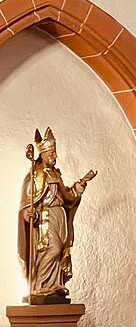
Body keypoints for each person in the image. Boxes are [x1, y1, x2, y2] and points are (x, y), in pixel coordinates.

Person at [18, 127, 96, 305]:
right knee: (51, 248)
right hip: (45, 218)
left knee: (59, 250)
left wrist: (81, 183)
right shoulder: (34, 176)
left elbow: (66, 196)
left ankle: (54, 285)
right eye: (52, 153)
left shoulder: (56, 174)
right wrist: (27, 214)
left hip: (60, 215)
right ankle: (39, 286)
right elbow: (26, 202)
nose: (55, 156)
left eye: (55, 152)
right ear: (43, 154)